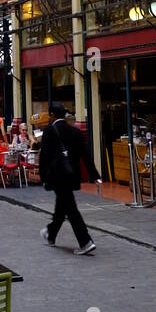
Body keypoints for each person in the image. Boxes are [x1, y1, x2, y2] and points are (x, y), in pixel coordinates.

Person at [38, 103, 98, 257]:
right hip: (72, 175)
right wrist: (94, 174)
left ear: (52, 115)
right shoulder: (75, 132)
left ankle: (85, 242)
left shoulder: (49, 131)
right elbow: (85, 154)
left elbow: (44, 157)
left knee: (71, 209)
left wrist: (43, 177)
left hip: (57, 176)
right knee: (62, 206)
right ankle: (51, 234)